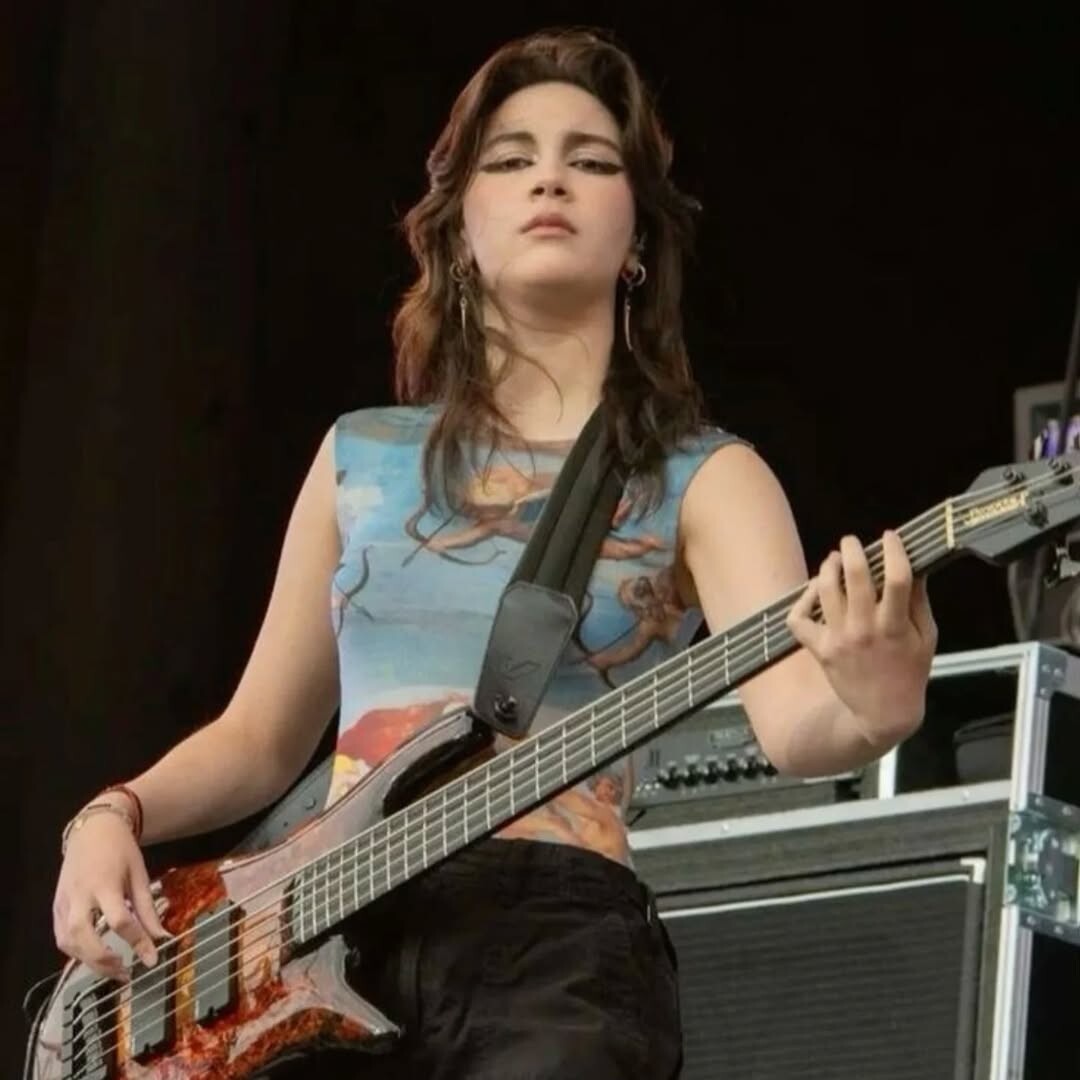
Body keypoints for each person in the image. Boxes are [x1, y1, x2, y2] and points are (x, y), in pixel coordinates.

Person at [51, 26, 937, 1080]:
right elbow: (259, 738)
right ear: (459, 229)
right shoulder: (359, 457)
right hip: (325, 937)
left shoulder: (710, 475)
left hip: (553, 950)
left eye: (590, 160)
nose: (549, 178)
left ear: (638, 235)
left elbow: (795, 724)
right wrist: (112, 813)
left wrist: (877, 708)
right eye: (511, 160)